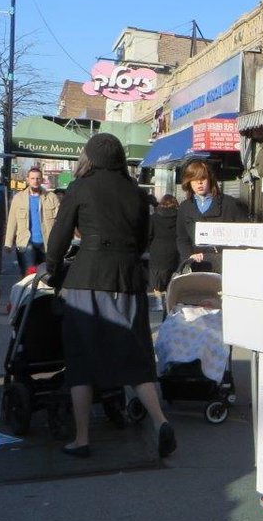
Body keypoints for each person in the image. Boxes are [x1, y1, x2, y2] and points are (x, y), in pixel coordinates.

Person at [45, 133, 177, 459]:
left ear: (89, 157)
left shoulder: (80, 188)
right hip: (129, 279)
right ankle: (160, 421)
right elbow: (143, 240)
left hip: (86, 278)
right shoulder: (135, 192)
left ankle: (82, 438)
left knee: (81, 359)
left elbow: (59, 236)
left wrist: (52, 268)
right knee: (134, 356)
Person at [175, 160, 248, 273]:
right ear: (188, 182)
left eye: (203, 178)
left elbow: (244, 236)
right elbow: (182, 239)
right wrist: (189, 256)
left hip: (225, 267)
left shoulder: (230, 204)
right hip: (195, 267)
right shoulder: (184, 207)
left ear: (210, 179)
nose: (199, 183)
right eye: (194, 179)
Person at [4, 166, 60, 271]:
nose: (35, 181)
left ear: (42, 180)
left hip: (47, 244)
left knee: (47, 278)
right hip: (26, 244)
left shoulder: (51, 197)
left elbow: (60, 221)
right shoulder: (18, 198)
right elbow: (12, 222)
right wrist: (8, 243)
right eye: (33, 178)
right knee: (29, 278)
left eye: (38, 178)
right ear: (28, 179)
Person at [148, 194, 180, 298]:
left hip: (157, 255)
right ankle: (169, 306)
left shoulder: (154, 218)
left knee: (157, 287)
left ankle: (159, 304)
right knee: (173, 286)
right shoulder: (180, 218)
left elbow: (148, 235)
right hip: (175, 255)